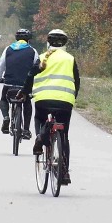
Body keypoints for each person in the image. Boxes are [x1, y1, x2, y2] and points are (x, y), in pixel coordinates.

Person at [18, 29, 80, 184]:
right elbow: (77, 81)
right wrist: (73, 97)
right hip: (65, 101)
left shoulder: (41, 58)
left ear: (48, 42)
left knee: (39, 118)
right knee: (64, 135)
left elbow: (30, 77)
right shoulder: (70, 59)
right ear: (65, 44)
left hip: (43, 100)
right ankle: (64, 172)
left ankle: (40, 137)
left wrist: (24, 93)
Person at [0, 29, 39, 139]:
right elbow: (36, 68)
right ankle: (26, 130)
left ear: (16, 38)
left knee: (4, 99)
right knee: (27, 103)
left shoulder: (8, 49)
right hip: (25, 85)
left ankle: (6, 117)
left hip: (9, 83)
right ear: (29, 39)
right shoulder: (33, 51)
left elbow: (1, 65)